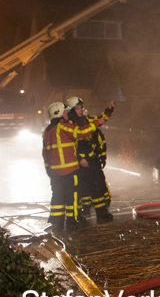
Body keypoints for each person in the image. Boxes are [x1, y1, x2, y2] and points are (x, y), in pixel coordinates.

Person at [42, 101, 109, 232]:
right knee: (72, 196)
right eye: (65, 112)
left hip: (54, 173)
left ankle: (56, 222)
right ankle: (73, 221)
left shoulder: (47, 131)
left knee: (58, 196)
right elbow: (81, 132)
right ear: (59, 113)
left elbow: (45, 153)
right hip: (70, 170)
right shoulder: (63, 127)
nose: (67, 114)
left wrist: (48, 170)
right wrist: (98, 123)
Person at [66, 96, 115, 224]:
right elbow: (69, 145)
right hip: (78, 160)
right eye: (77, 108)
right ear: (71, 110)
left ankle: (102, 212)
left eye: (81, 107)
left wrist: (109, 110)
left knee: (95, 185)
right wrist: (79, 159)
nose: (80, 110)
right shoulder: (70, 124)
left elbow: (100, 120)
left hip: (90, 158)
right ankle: (78, 214)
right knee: (79, 189)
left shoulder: (85, 119)